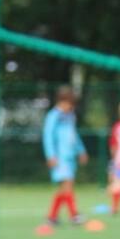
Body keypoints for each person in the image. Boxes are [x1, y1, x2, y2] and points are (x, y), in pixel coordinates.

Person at [42, 86, 88, 226]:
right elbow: (48, 136)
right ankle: (74, 215)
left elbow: (74, 135)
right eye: (70, 104)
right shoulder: (53, 116)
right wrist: (51, 155)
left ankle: (52, 217)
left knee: (64, 188)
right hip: (59, 157)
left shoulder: (70, 116)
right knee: (67, 185)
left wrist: (81, 150)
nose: (72, 107)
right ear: (62, 101)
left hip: (70, 157)